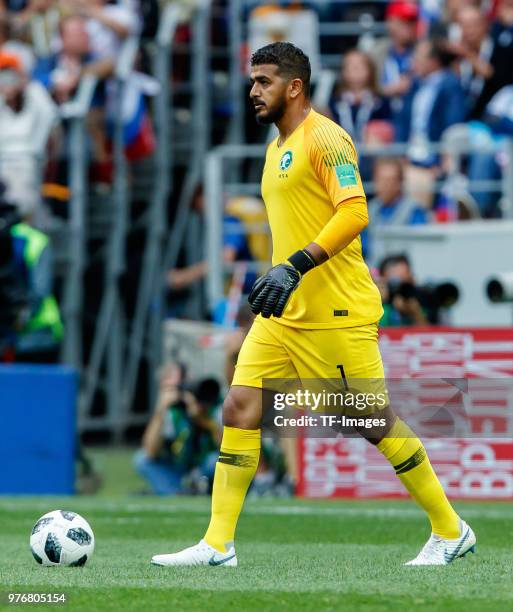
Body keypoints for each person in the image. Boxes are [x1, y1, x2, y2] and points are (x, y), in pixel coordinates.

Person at [151, 42, 475, 568]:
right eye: (252, 81)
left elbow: (354, 212)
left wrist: (296, 266)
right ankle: (217, 545)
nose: (253, 91)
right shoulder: (276, 145)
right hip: (284, 316)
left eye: (263, 81)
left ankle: (450, 528)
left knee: (371, 420)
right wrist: (278, 273)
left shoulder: (326, 138)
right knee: (239, 405)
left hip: (336, 312)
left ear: (294, 86)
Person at [134, 364, 222, 496]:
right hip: (179, 467)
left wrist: (202, 419)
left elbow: (230, 449)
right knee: (141, 460)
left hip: (205, 465)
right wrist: (161, 410)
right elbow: (150, 452)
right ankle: (176, 492)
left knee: (216, 460)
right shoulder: (172, 411)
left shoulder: (214, 403)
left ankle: (176, 490)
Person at [363, 158, 428, 265]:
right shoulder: (370, 209)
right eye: (381, 180)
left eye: (390, 180)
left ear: (400, 183)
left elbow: (419, 249)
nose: (385, 185)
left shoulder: (414, 210)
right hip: (373, 273)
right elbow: (364, 247)